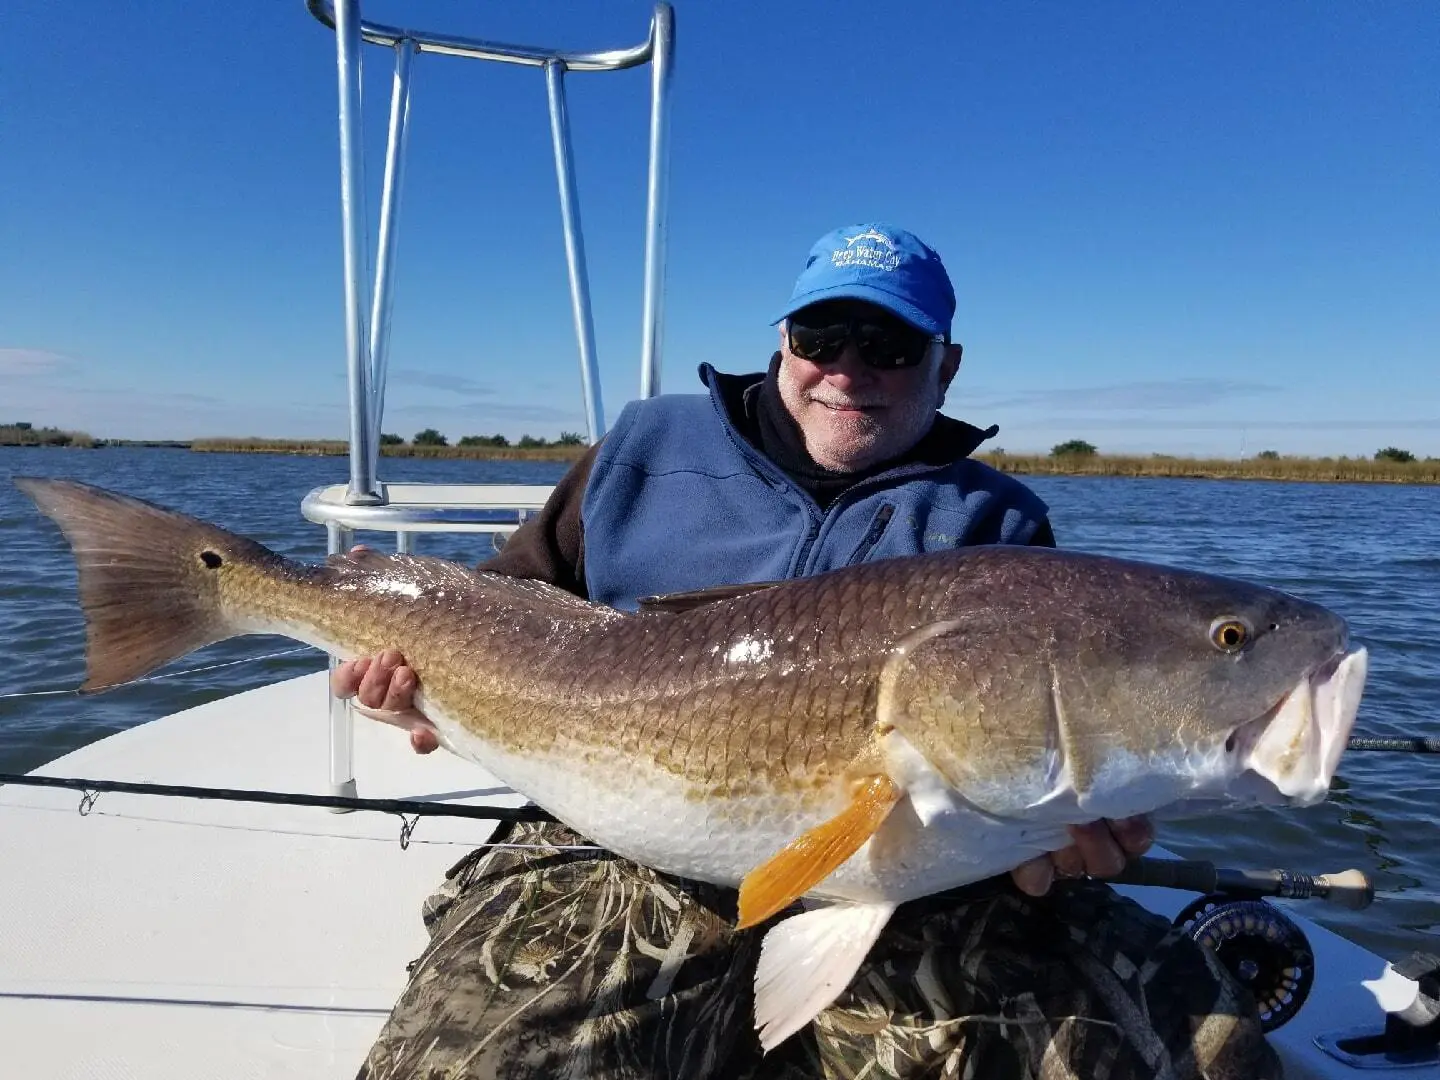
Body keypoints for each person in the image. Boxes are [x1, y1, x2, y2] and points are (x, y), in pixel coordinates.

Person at [341, 224, 1280, 1080]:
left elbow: (1042, 738)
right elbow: (515, 599)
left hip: (917, 883)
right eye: (821, 336)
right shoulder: (645, 443)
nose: (846, 368)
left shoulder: (997, 522)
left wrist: (1069, 830)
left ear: (945, 366)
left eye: (890, 346)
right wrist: (411, 688)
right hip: (612, 836)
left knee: (1207, 1058)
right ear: (780, 343)